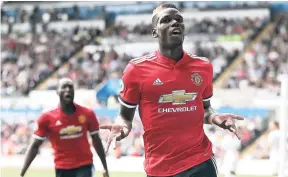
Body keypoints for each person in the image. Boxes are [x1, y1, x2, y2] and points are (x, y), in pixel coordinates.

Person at [100, 3, 244, 177]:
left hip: (201, 161)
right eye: (166, 20)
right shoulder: (136, 70)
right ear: (155, 32)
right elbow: (125, 115)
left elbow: (205, 108)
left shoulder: (203, 66)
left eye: (179, 20)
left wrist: (214, 118)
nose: (175, 23)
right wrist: (122, 128)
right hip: (160, 168)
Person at [19, 78, 109, 177]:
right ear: (57, 91)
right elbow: (34, 146)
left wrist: (105, 167)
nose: (68, 90)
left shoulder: (87, 113)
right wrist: (22, 174)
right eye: (64, 87)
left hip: (85, 165)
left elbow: (97, 140)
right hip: (62, 167)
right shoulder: (47, 118)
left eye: (70, 87)